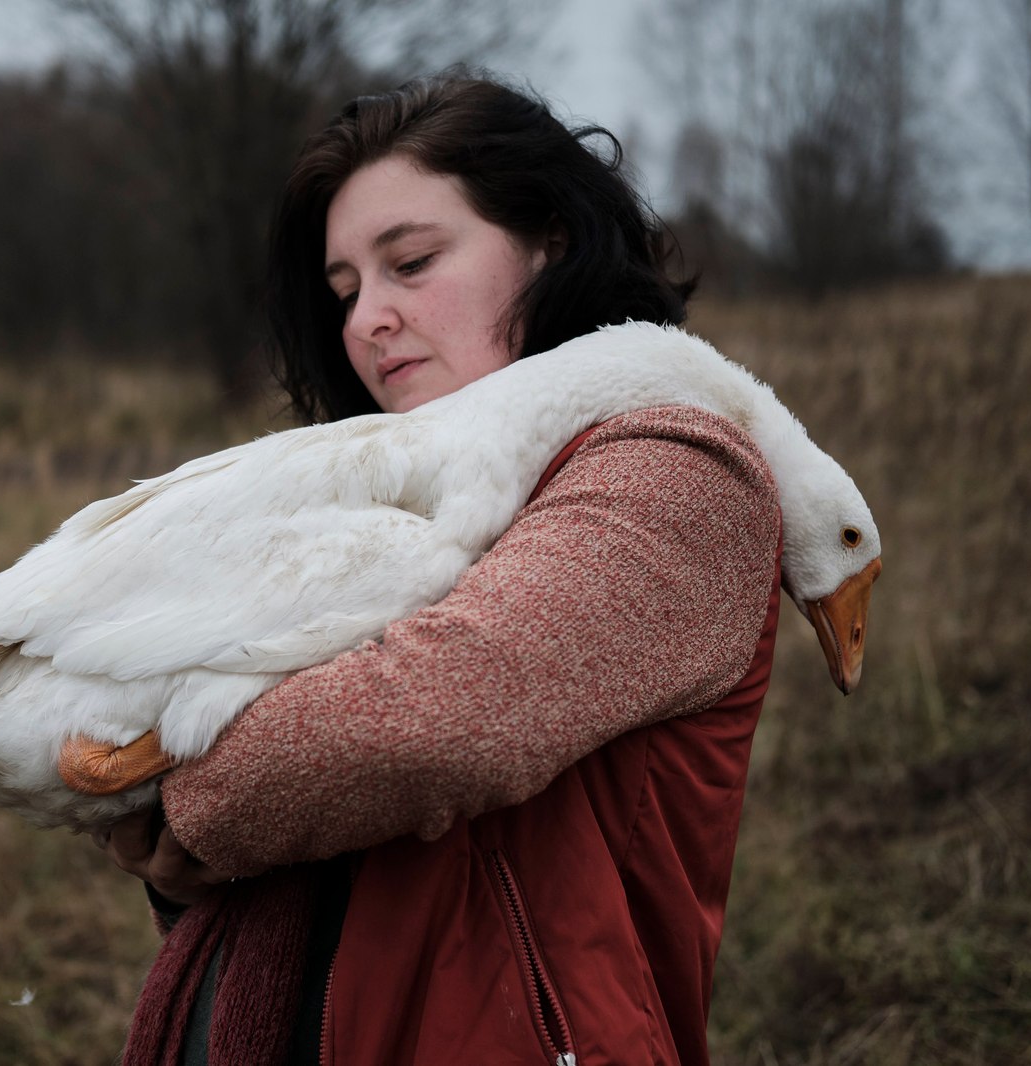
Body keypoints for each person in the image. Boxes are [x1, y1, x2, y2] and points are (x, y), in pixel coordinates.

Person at [95, 72, 783, 1066]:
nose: (367, 317)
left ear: (548, 237)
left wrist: (159, 786)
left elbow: (427, 726)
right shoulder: (375, 506)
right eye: (344, 292)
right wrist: (187, 859)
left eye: (410, 262)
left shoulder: (674, 474)